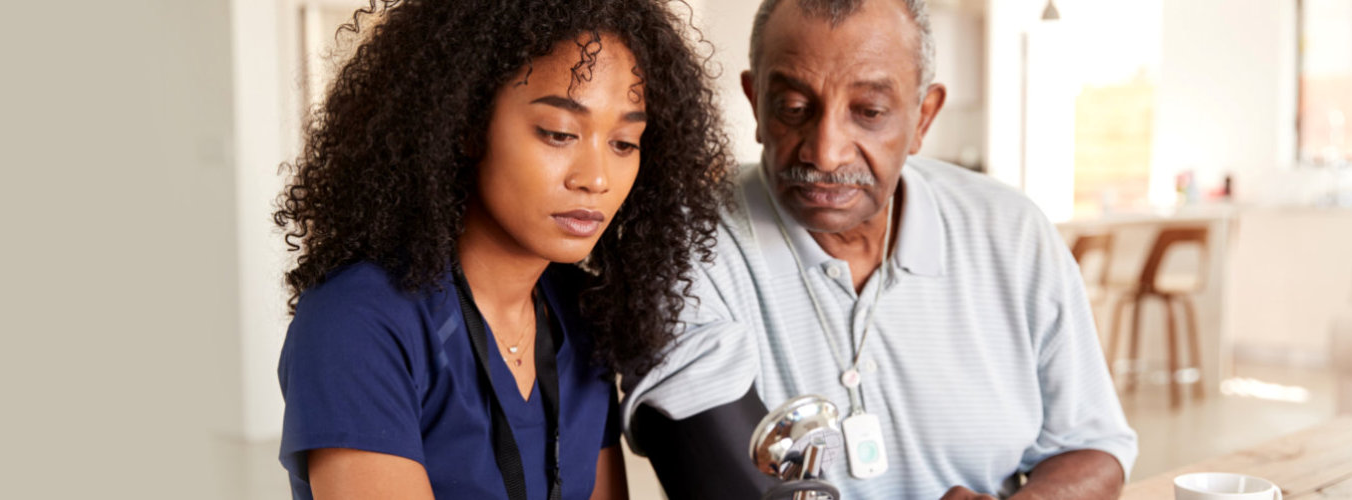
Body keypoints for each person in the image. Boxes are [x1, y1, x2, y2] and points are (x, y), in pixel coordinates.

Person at [621, 0, 1138, 499]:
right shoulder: (683, 244)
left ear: (923, 117)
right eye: (794, 108)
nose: (826, 151)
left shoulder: (1014, 233)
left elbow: (1093, 448)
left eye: (869, 112)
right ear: (756, 103)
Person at [273, 1, 733, 499]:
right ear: (466, 125)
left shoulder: (578, 316)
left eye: (624, 142)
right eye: (559, 133)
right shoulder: (357, 323)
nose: (596, 178)